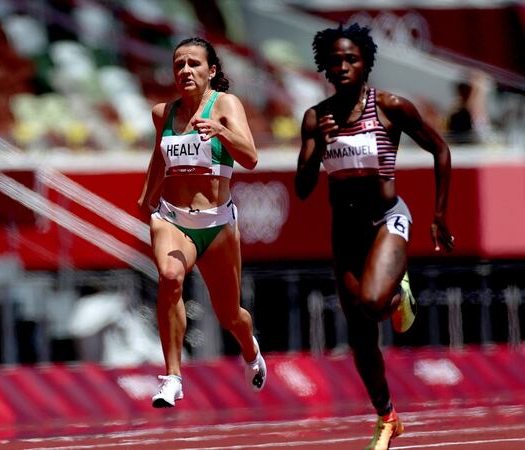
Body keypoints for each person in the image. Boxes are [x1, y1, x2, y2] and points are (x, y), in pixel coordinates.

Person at [295, 24, 454, 450]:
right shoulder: (316, 118)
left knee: (371, 301)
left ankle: (400, 294)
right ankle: (387, 417)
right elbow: (304, 187)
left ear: (366, 63)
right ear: (324, 66)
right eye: (336, 60)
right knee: (360, 335)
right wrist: (319, 145)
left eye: (352, 59)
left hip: (386, 219)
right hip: (344, 231)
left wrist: (439, 214)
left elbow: (440, 148)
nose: (343, 66)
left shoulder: (389, 107)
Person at [137, 37, 266, 408]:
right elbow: (159, 158)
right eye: (179, 64)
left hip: (218, 224)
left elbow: (252, 158)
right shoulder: (164, 112)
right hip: (172, 219)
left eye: (194, 64)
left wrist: (221, 131)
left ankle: (249, 347)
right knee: (171, 275)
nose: (185, 71)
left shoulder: (225, 104)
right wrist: (146, 196)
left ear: (211, 71)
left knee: (231, 315)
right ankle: (173, 376)